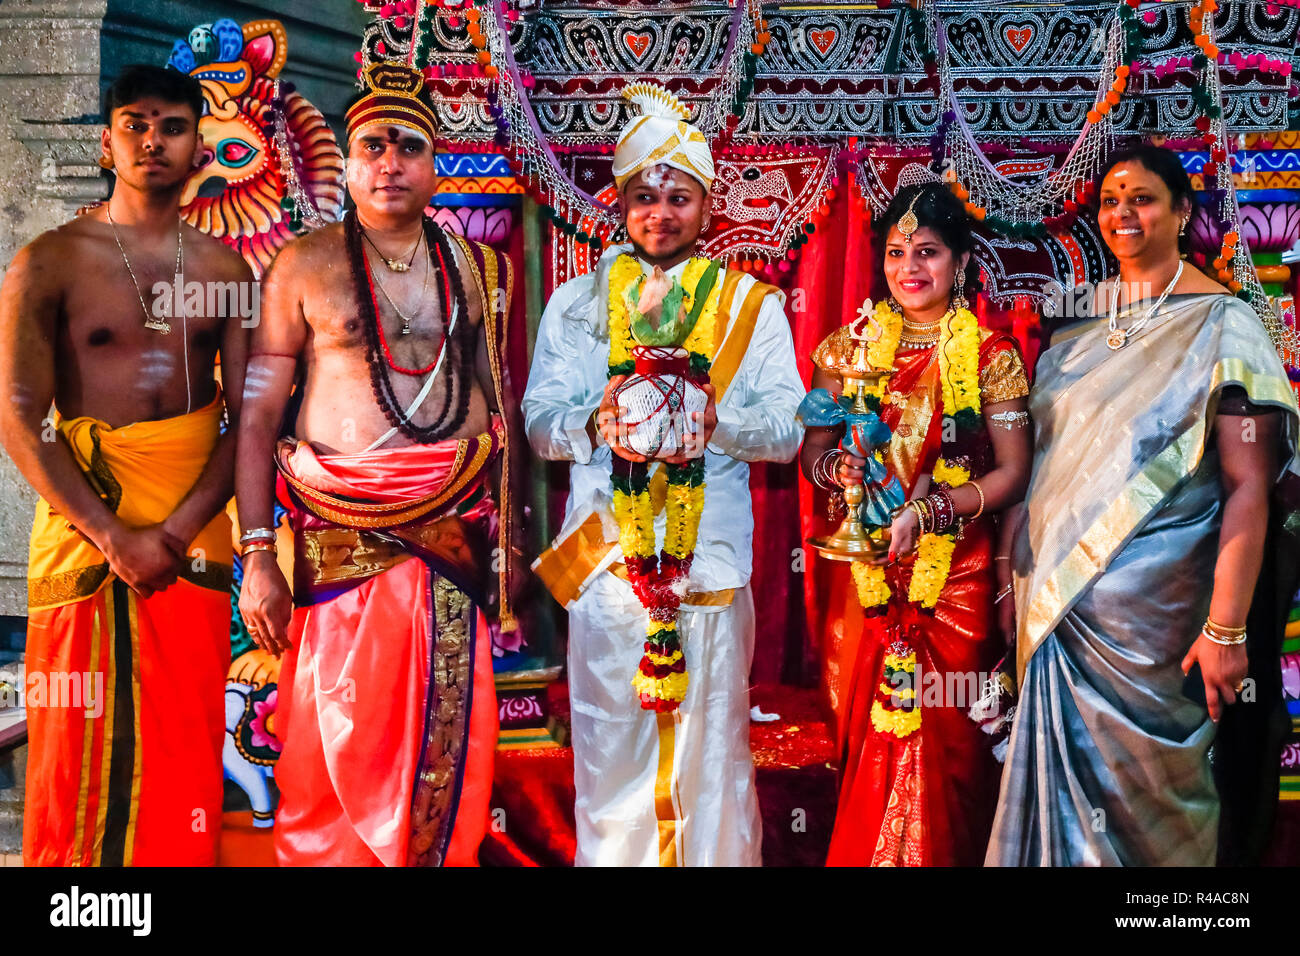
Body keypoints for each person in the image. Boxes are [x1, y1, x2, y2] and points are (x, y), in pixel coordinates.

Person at [234, 62, 518, 867]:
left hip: (451, 529)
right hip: (339, 533)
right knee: (333, 733)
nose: (390, 163)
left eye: (409, 146)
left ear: (435, 163)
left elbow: (503, 410)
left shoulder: (481, 269)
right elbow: (256, 416)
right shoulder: (302, 265)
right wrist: (257, 555)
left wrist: (514, 544)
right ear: (349, 161)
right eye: (372, 146)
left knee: (446, 728)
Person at [986, 145, 1300, 866]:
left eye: (1143, 198)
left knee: (1155, 799)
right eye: (1110, 200)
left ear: (1183, 212)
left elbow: (1249, 485)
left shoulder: (1222, 325)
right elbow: (1039, 471)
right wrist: (1011, 577)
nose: (1122, 213)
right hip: (1058, 610)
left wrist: (1226, 630)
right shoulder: (1076, 328)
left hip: (1159, 622)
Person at [523, 81, 805, 866]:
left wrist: (722, 427)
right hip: (608, 569)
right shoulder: (576, 306)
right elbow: (538, 422)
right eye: (644, 197)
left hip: (708, 564)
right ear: (620, 202)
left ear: (708, 207)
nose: (660, 213)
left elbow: (788, 433)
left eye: (679, 197)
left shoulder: (752, 306)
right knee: (610, 758)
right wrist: (593, 424)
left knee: (711, 764)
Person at [0, 64, 251, 865]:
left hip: (191, 536)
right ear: (107, 144)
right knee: (74, 744)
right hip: (86, 534)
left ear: (198, 149)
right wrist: (114, 536)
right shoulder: (49, 261)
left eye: (172, 127)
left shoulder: (226, 273)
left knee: (184, 737)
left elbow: (251, 419)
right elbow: (17, 418)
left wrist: (171, 536)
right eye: (135, 125)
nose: (153, 141)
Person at [801, 182, 1032, 866]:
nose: (910, 267)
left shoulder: (991, 356)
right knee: (866, 731)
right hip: (867, 568)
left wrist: (931, 510)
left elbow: (1014, 472)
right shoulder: (847, 349)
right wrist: (836, 468)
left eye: (928, 251)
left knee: (950, 746)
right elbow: (813, 453)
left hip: (955, 575)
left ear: (961, 262)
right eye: (897, 252)